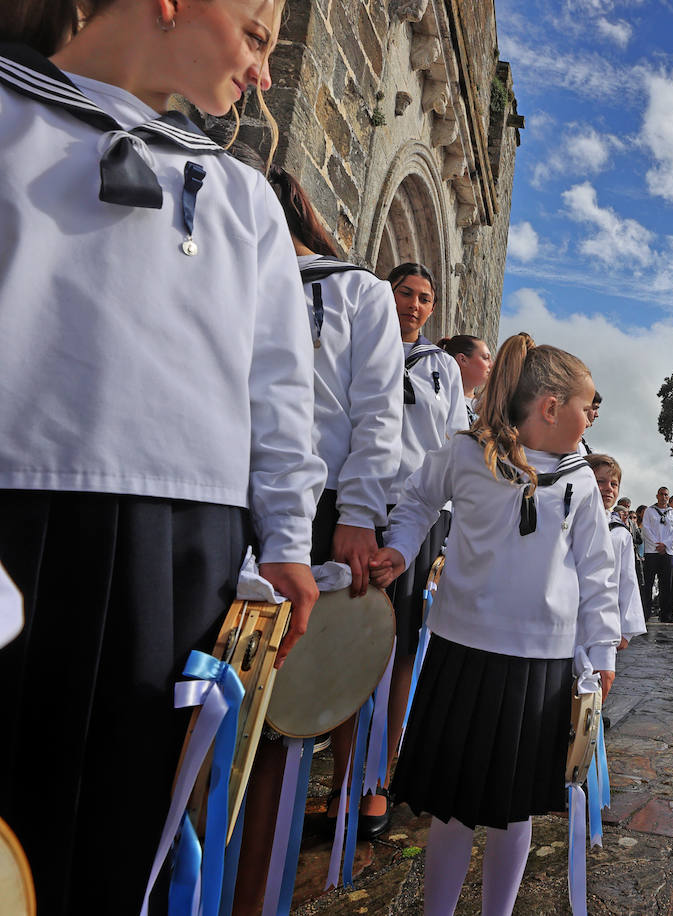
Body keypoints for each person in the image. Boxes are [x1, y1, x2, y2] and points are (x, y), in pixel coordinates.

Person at [0, 4, 327, 913]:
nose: (264, 71)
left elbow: (278, 390)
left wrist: (289, 538)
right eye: (258, 35)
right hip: (16, 528)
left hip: (182, 549)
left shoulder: (243, 198)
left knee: (123, 835)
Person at [369, 333, 619, 916]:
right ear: (551, 407)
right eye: (586, 407)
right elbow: (416, 503)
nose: (591, 418)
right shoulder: (465, 454)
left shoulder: (581, 482)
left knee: (515, 810)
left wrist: (600, 650)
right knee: (453, 808)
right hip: (464, 654)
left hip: (541, 666)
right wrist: (401, 551)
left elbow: (597, 570)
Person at [230, 167, 404, 913]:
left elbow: (376, 412)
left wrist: (359, 517)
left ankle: (249, 892)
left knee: (278, 708)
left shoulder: (360, 291)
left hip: (322, 503)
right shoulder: (231, 257)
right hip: (218, 486)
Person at [358, 261, 467, 830]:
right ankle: (339, 773)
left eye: (426, 298)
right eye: (406, 293)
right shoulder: (360, 336)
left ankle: (382, 773)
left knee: (400, 651)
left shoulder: (443, 369)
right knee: (346, 642)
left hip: (414, 517)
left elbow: (448, 447)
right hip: (354, 508)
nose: (415, 306)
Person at [587, 454, 647, 649]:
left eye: (614, 484)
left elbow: (627, 579)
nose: (608, 488)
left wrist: (626, 629)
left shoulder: (621, 534)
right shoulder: (571, 522)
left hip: (605, 617)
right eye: (600, 481)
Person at [641, 485, 673, 622]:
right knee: (648, 584)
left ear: (668, 498)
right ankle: (644, 613)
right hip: (652, 552)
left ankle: (666, 614)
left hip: (668, 552)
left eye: (666, 495)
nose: (663, 497)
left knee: (667, 585)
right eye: (661, 494)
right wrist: (657, 545)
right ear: (657, 496)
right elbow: (646, 529)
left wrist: (666, 545)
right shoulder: (650, 511)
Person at [440, 334, 493, 426]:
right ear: (463, 359)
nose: (491, 365)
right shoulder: (440, 401)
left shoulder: (488, 407)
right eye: (485, 358)